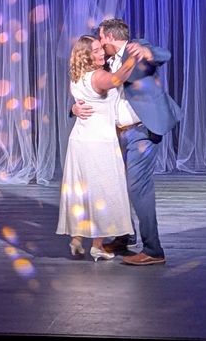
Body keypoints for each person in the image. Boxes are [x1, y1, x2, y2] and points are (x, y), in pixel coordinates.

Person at [72, 18, 182, 266]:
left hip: (141, 131)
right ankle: (124, 236)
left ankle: (153, 250)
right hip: (115, 133)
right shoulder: (103, 63)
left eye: (101, 38)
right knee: (115, 185)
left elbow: (163, 54)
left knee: (138, 187)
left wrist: (147, 52)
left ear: (110, 37)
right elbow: (87, 90)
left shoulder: (135, 48)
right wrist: (74, 109)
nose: (99, 43)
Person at [56, 35, 137, 261]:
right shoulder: (99, 75)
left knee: (81, 190)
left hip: (80, 140)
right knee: (101, 192)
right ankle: (97, 245)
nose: (102, 53)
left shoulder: (77, 76)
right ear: (86, 55)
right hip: (99, 143)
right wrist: (134, 57)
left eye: (102, 49)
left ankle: (76, 239)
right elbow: (117, 79)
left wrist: (73, 108)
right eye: (96, 51)